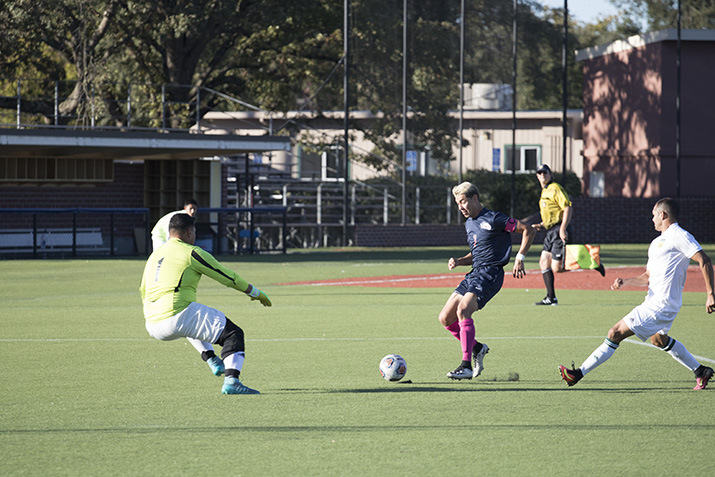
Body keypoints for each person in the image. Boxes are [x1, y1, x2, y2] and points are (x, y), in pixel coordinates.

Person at [559, 198, 715, 390]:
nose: (652, 219)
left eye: (653, 215)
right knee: (658, 339)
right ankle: (700, 371)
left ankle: (577, 374)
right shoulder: (657, 242)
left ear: (663, 215)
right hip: (657, 302)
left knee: (614, 332)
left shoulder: (679, 235)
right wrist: (626, 281)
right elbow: (648, 277)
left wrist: (710, 294)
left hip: (661, 305)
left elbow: (705, 260)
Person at [140, 213, 272, 395]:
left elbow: (143, 289)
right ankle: (232, 381)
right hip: (176, 314)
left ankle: (212, 359)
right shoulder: (192, 252)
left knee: (193, 319)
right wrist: (256, 293)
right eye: (194, 231)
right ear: (189, 231)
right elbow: (228, 277)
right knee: (233, 334)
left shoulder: (154, 256)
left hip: (152, 323)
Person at [439, 182, 535, 380]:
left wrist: (520, 257)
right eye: (458, 204)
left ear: (475, 198)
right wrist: (459, 261)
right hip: (475, 273)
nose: (461, 207)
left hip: (490, 274)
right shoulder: (469, 224)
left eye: (463, 202)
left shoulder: (495, 218)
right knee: (446, 318)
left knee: (464, 310)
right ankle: (477, 348)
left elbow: (529, 230)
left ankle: (465, 365)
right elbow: (477, 254)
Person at [531, 164, 604, 306]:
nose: (542, 175)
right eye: (539, 173)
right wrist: (541, 225)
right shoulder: (545, 191)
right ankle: (551, 298)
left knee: (557, 268)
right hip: (550, 231)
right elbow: (552, 213)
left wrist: (562, 228)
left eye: (545, 172)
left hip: (559, 230)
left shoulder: (555, 188)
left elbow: (567, 206)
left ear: (550, 174)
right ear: (537, 176)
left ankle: (592, 261)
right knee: (543, 261)